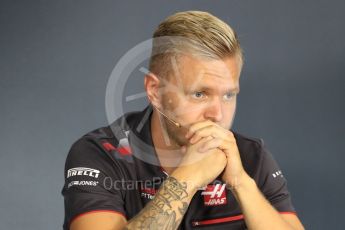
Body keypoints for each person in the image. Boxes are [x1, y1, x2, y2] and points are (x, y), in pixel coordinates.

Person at [62, 11, 305, 230]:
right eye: (199, 94)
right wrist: (187, 178)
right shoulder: (100, 153)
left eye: (228, 95)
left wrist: (241, 183)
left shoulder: (252, 157)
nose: (218, 115)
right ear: (155, 91)